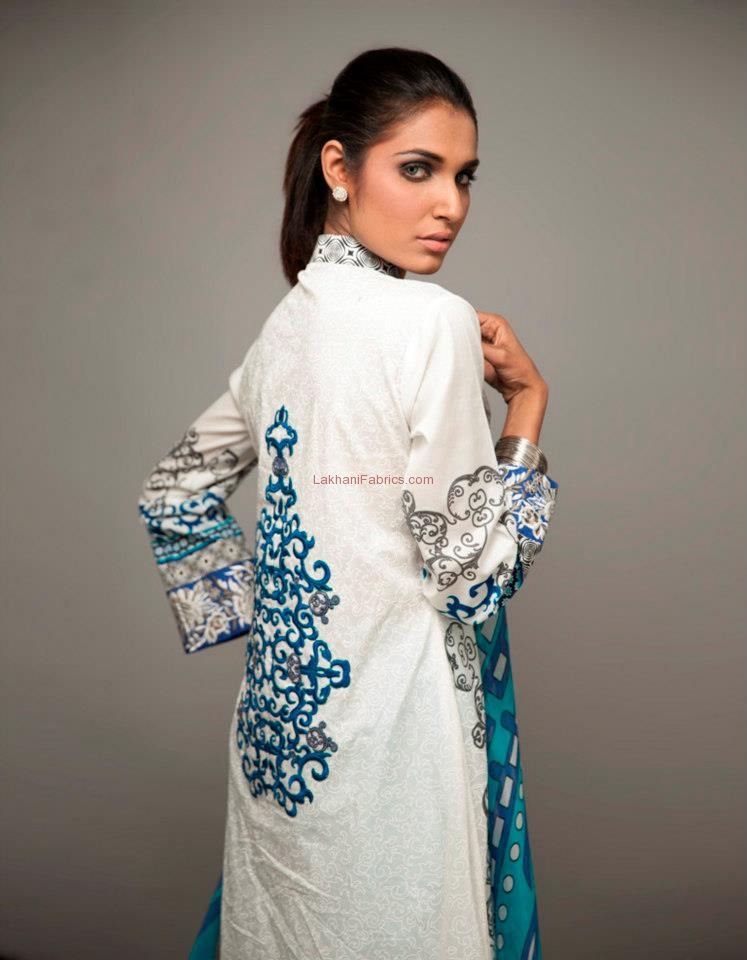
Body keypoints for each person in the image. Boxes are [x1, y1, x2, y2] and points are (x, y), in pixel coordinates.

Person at [137, 46, 559, 960]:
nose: (450, 205)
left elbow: (174, 493)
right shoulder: (431, 321)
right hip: (395, 755)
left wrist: (284, 634)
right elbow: (472, 579)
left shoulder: (285, 330)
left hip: (282, 751)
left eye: (462, 177)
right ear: (339, 166)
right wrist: (526, 409)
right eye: (418, 169)